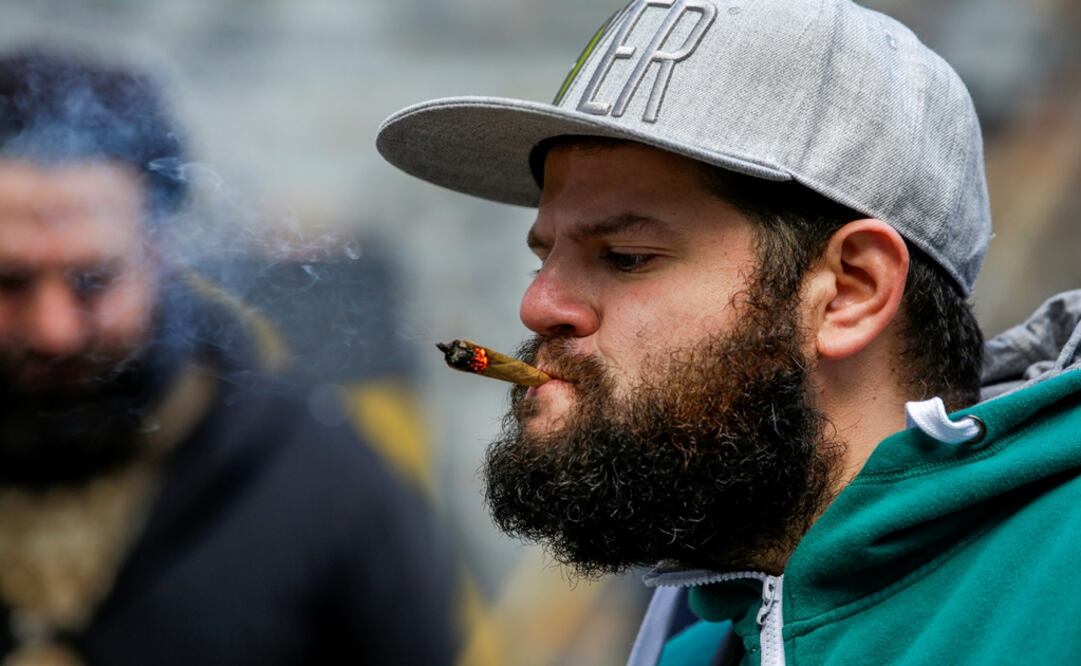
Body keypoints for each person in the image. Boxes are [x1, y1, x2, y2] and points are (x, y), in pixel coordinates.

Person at [376, 0, 1081, 663]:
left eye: (625, 257)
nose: (538, 306)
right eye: (544, 254)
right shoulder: (690, 641)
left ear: (850, 292)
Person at [0, 48, 457, 665]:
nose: (54, 331)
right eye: (10, 281)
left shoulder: (322, 486)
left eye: (93, 280)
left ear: (161, 246)